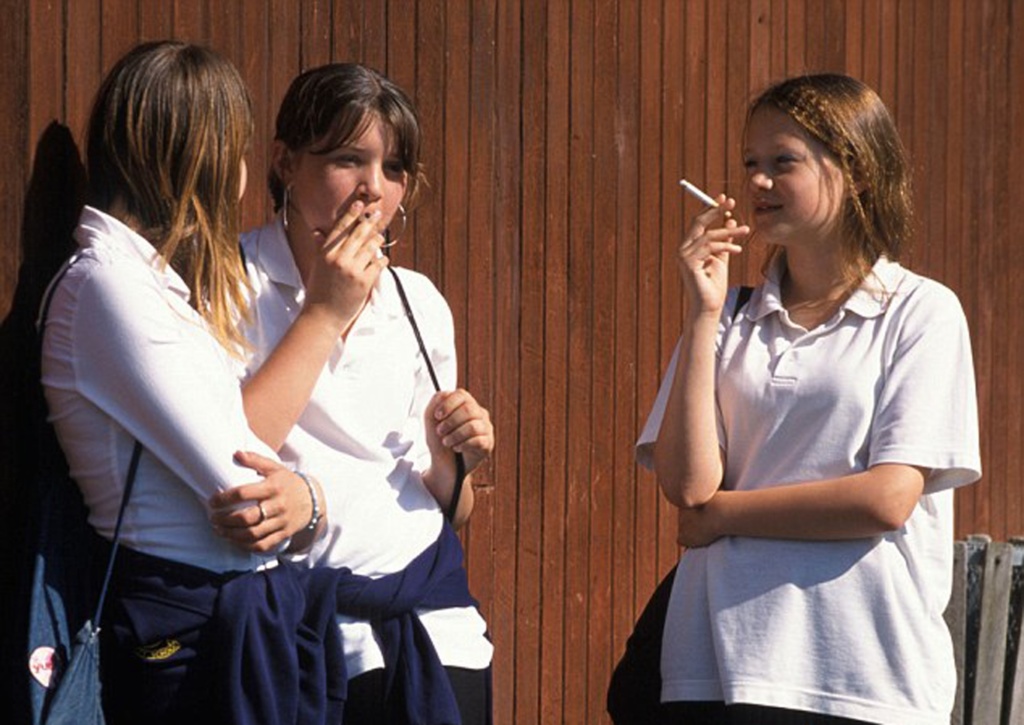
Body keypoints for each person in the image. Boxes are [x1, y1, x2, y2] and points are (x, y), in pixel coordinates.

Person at [636, 73, 980, 724]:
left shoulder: (920, 312)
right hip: (714, 667)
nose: (758, 181)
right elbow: (688, 486)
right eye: (751, 163)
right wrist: (703, 311)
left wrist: (726, 516)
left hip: (862, 674)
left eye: (783, 161)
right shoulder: (732, 318)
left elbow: (887, 498)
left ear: (856, 170)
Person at [40, 41, 341, 724]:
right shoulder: (105, 286)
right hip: (186, 622)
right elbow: (242, 482)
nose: (240, 175)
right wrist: (307, 497)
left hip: (211, 614)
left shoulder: (146, 285)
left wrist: (309, 499)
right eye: (233, 149)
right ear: (197, 159)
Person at [214, 62, 495, 724]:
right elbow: (220, 458)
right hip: (303, 645)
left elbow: (450, 510)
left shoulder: (418, 300)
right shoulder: (225, 284)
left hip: (438, 634)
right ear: (283, 162)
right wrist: (328, 309)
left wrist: (456, 456)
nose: (374, 188)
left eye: (394, 168)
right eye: (348, 159)